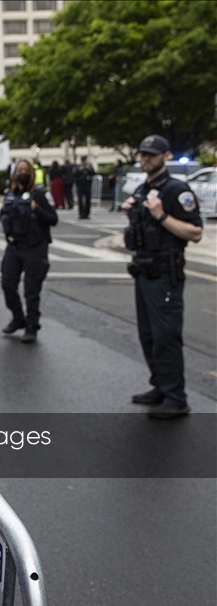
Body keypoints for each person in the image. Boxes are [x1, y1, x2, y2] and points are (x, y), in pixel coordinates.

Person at [121, 134, 203, 418]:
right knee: (148, 335)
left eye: (152, 155)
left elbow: (195, 233)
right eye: (143, 154)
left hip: (164, 274)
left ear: (165, 156)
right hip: (143, 270)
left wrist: (161, 216)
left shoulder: (175, 190)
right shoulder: (145, 189)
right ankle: (160, 385)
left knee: (166, 335)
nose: (145, 159)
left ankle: (176, 397)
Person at [0, 159, 58, 343]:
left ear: (31, 173)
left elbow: (53, 219)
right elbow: (5, 217)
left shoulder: (39, 195)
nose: (22, 173)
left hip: (35, 247)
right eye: (19, 170)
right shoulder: (10, 194)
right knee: (7, 284)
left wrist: (38, 210)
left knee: (31, 291)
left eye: (26, 170)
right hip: (15, 245)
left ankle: (32, 325)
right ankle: (18, 318)